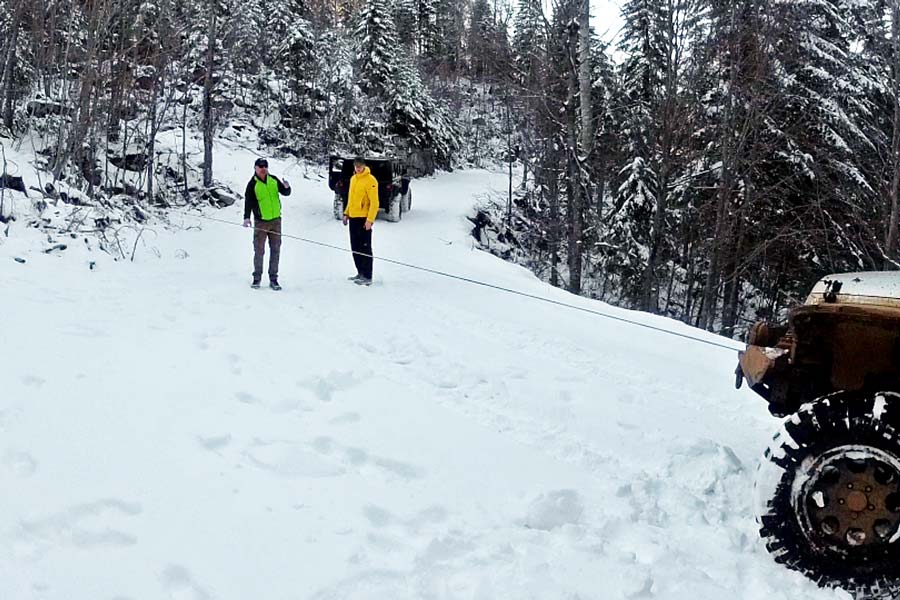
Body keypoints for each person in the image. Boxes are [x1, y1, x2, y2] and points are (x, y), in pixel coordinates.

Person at [243, 158, 291, 290]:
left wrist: (287, 187)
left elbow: (285, 193)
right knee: (259, 251)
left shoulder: (273, 180)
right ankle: (257, 278)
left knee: (275, 250)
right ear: (255, 168)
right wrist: (247, 217)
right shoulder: (252, 184)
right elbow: (248, 202)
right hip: (261, 222)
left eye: (265, 166)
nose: (263, 168)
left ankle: (273, 279)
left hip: (276, 221)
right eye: (260, 166)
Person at [342, 156, 379, 286]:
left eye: (359, 167)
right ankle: (360, 272)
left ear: (364, 166)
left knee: (365, 248)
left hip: (364, 219)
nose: (357, 169)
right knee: (355, 247)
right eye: (356, 166)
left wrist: (370, 220)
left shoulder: (370, 180)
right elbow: (351, 199)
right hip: (353, 217)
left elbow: (375, 203)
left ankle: (368, 275)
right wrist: (346, 213)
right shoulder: (353, 179)